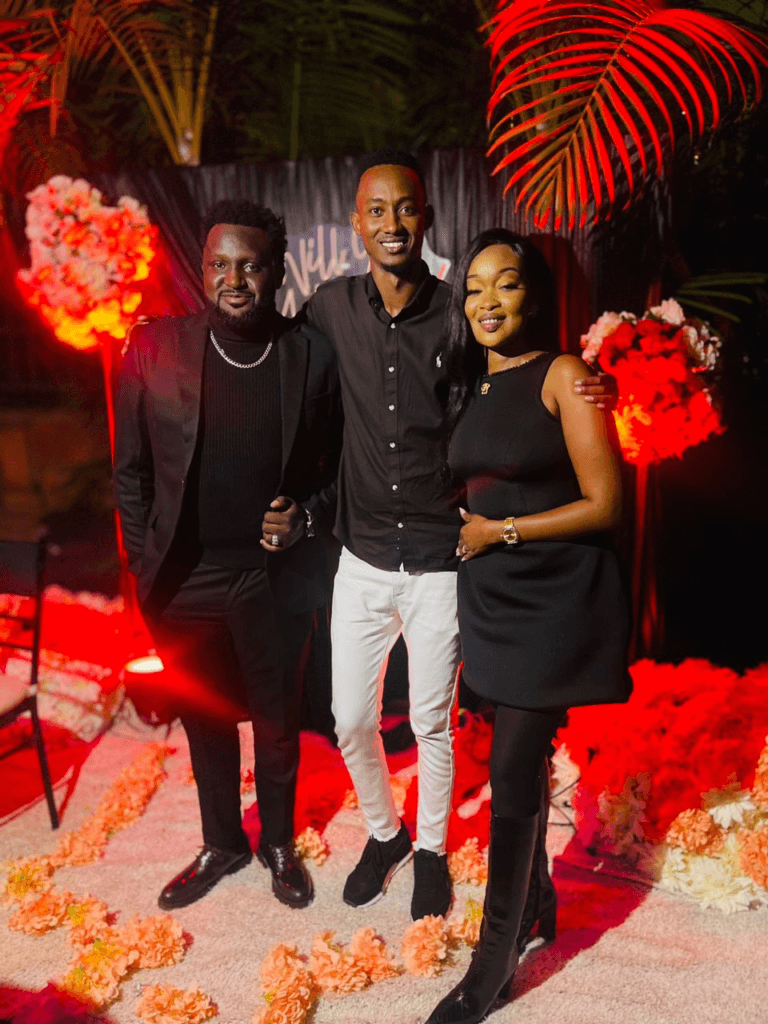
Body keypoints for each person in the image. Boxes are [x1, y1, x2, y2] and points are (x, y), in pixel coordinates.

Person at [304, 150, 616, 922]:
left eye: (405, 207)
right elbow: (286, 373)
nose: (392, 223)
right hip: (362, 554)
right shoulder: (328, 307)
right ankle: (385, 835)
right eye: (376, 210)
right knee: (350, 719)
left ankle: (433, 851)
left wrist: (596, 384)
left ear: (428, 217)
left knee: (431, 722)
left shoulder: (458, 311)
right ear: (356, 223)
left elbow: (521, 374)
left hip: (445, 556)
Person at [424, 228, 631, 1024]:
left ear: (533, 296)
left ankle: (492, 961)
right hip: (492, 598)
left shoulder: (565, 375)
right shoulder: (471, 382)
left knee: (512, 769)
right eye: (474, 287)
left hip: (553, 598)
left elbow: (605, 504)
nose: (486, 301)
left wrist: (500, 533)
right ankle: (539, 901)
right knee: (514, 760)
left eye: (504, 285)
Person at [113, 200, 341, 912]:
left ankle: (278, 843)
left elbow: (339, 469)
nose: (233, 280)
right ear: (203, 266)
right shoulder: (154, 348)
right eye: (219, 264)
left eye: (249, 265)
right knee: (204, 719)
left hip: (272, 579)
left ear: (276, 271)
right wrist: (144, 565)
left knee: (276, 722)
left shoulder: (310, 354)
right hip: (185, 580)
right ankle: (222, 842)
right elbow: (130, 472)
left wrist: (306, 516)